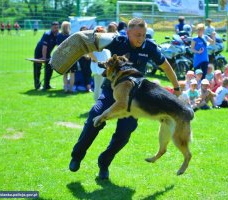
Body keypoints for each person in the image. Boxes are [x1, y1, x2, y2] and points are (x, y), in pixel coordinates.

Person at [69, 18, 181, 180]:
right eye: (136, 35)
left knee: (125, 132)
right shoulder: (118, 41)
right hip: (111, 91)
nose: (140, 38)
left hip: (133, 99)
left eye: (143, 35)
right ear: (128, 33)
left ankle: (104, 162)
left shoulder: (149, 47)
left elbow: (166, 67)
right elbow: (91, 43)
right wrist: (95, 34)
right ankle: (77, 156)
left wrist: (176, 88)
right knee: (95, 115)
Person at [33, 21, 59, 90]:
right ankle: (37, 85)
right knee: (37, 69)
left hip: (47, 53)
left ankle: (47, 85)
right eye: (54, 27)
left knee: (50, 67)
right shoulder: (47, 34)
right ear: (51, 27)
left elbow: (59, 46)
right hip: (39, 52)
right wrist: (44, 58)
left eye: (57, 27)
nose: (56, 29)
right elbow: (44, 47)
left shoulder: (57, 35)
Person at [89, 26, 111, 100]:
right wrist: (96, 60)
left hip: (104, 66)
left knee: (101, 86)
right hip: (98, 66)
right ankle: (97, 104)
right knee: (98, 86)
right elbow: (90, 52)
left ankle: (99, 104)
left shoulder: (103, 41)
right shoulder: (93, 42)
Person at [57, 21, 77, 93]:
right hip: (72, 56)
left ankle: (65, 88)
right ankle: (71, 88)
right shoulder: (72, 35)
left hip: (63, 56)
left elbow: (59, 47)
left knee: (65, 73)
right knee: (72, 73)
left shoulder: (59, 35)